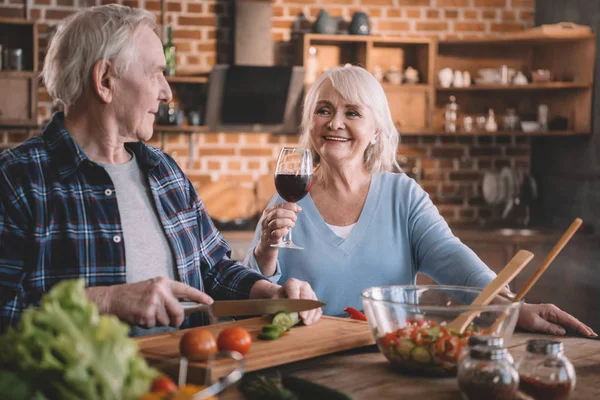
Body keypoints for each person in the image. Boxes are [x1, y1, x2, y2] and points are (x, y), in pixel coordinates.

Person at [0, 5, 321, 336]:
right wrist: (107, 301)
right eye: (155, 73)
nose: (167, 92)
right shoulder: (16, 179)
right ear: (105, 80)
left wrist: (269, 294)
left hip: (185, 385)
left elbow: (214, 270)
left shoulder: (164, 172)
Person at [245, 65, 596, 337]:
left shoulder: (404, 196)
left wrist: (512, 308)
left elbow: (456, 262)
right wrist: (266, 251)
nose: (335, 122)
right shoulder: (287, 197)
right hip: (309, 360)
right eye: (324, 110)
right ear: (310, 122)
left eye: (352, 113)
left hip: (391, 357)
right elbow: (248, 290)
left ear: (375, 131)